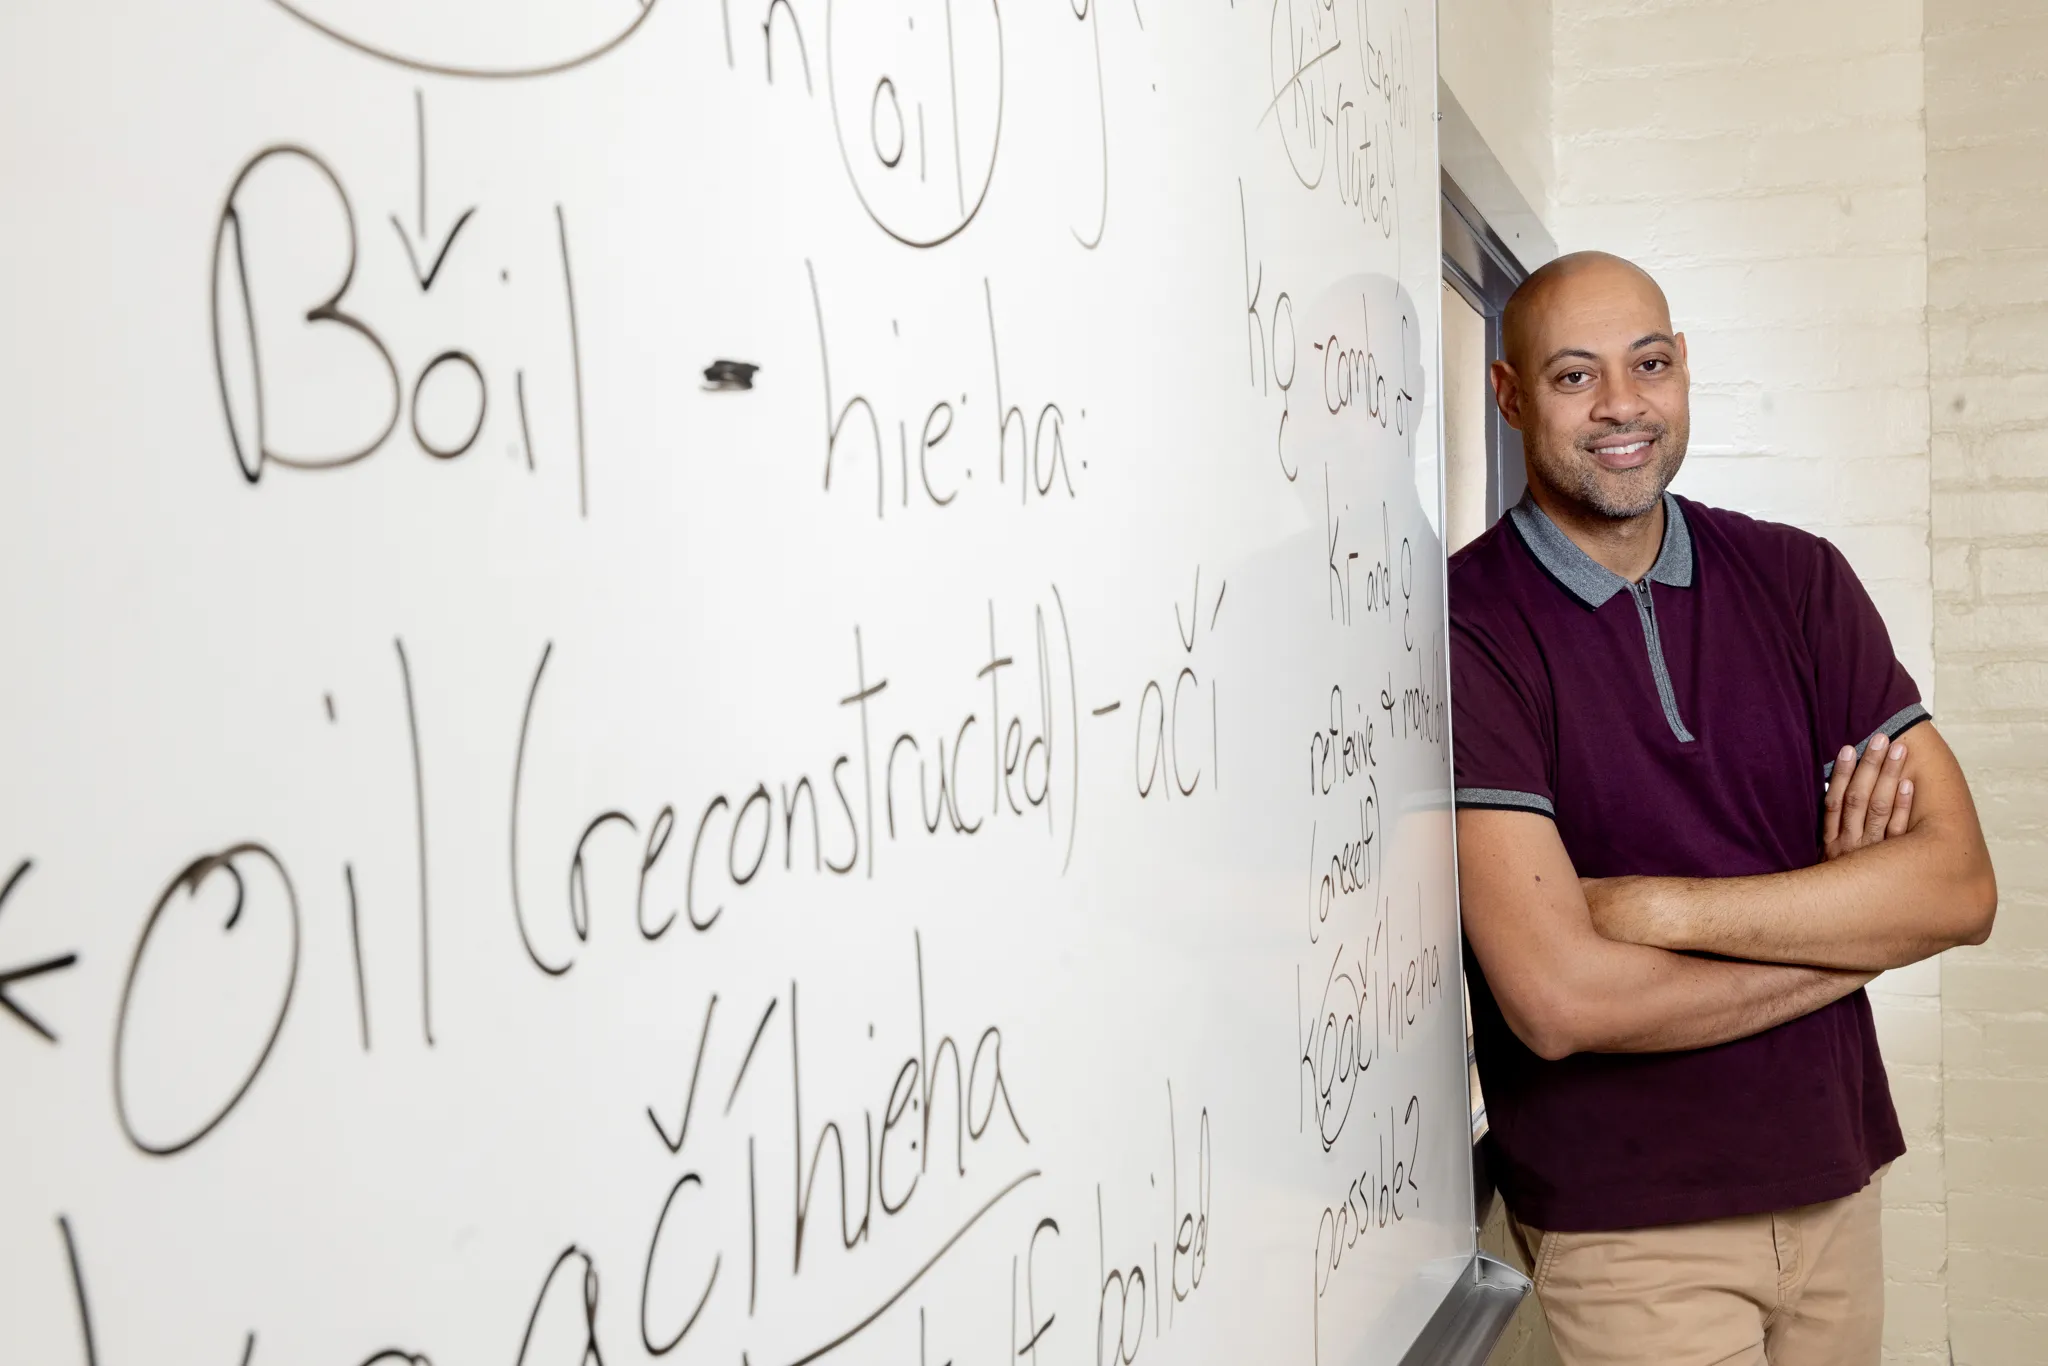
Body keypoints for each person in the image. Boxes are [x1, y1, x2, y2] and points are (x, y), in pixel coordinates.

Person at [1450, 251, 1998, 1366]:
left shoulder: (1799, 581)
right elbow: (1559, 998)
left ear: (1681, 369)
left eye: (1646, 364)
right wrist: (1855, 930)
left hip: (1835, 1180)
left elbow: (1956, 887)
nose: (1619, 405)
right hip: (1627, 1226)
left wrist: (1649, 907)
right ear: (1507, 395)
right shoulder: (1463, 626)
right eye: (1571, 377)